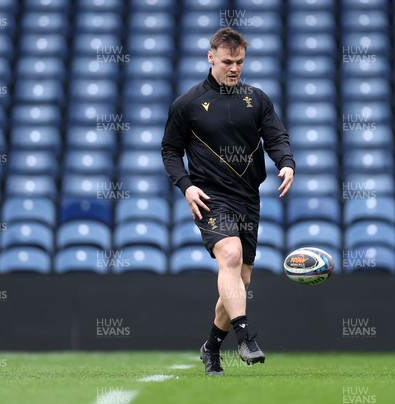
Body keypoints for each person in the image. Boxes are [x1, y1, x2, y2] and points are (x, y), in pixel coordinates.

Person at [161, 27, 295, 376]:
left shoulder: (258, 99)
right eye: (227, 62)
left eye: (239, 62)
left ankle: (211, 348)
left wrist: (286, 163)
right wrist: (186, 186)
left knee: (241, 280)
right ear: (211, 58)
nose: (234, 68)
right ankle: (245, 337)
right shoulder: (187, 104)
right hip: (209, 196)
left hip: (248, 197)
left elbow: (276, 136)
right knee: (230, 255)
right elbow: (170, 150)